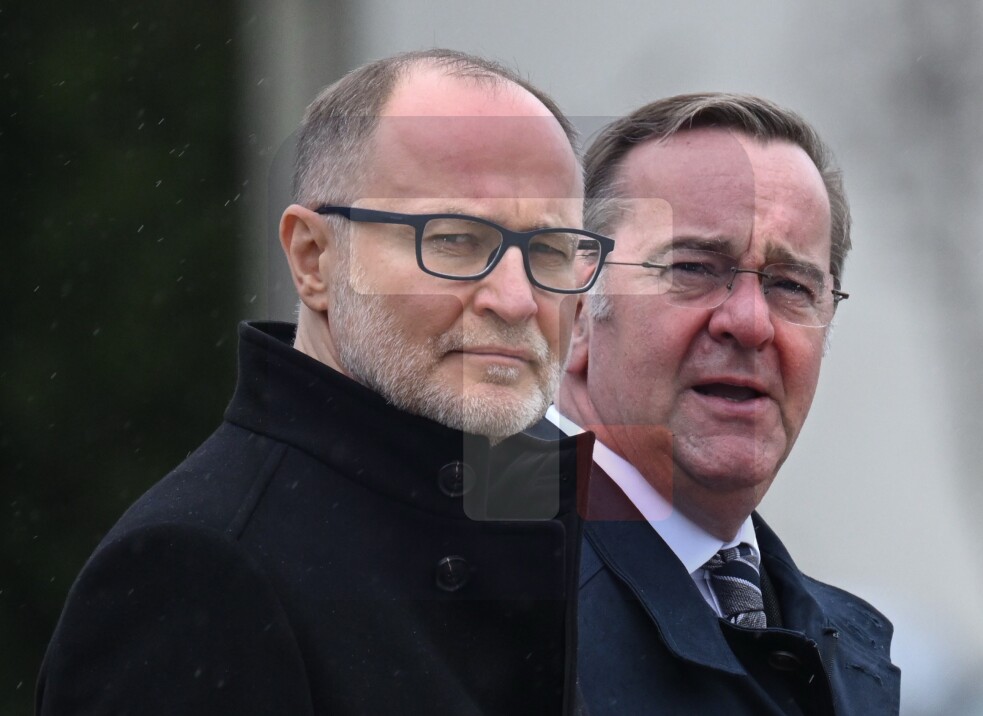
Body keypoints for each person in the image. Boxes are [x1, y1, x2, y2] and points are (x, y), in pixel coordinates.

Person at [36, 49, 614, 715]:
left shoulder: (579, 537)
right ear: (313, 259)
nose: (515, 300)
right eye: (454, 240)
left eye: (550, 251)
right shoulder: (198, 569)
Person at [549, 93, 901, 714]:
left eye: (791, 285)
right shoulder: (475, 591)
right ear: (577, 311)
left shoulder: (844, 651)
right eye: (693, 268)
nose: (750, 322)